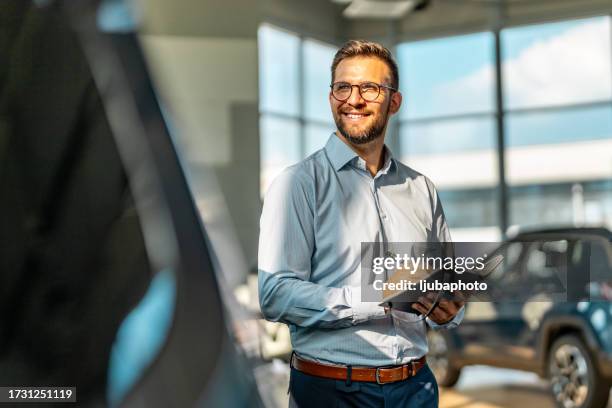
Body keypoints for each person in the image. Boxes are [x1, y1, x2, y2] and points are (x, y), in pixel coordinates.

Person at [258, 40, 465, 407]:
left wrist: (449, 308)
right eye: (343, 87)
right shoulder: (298, 184)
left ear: (394, 102)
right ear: (330, 97)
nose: (354, 99)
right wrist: (374, 297)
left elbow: (442, 279)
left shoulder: (421, 190)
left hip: (416, 387)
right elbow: (275, 294)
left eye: (370, 88)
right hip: (332, 391)